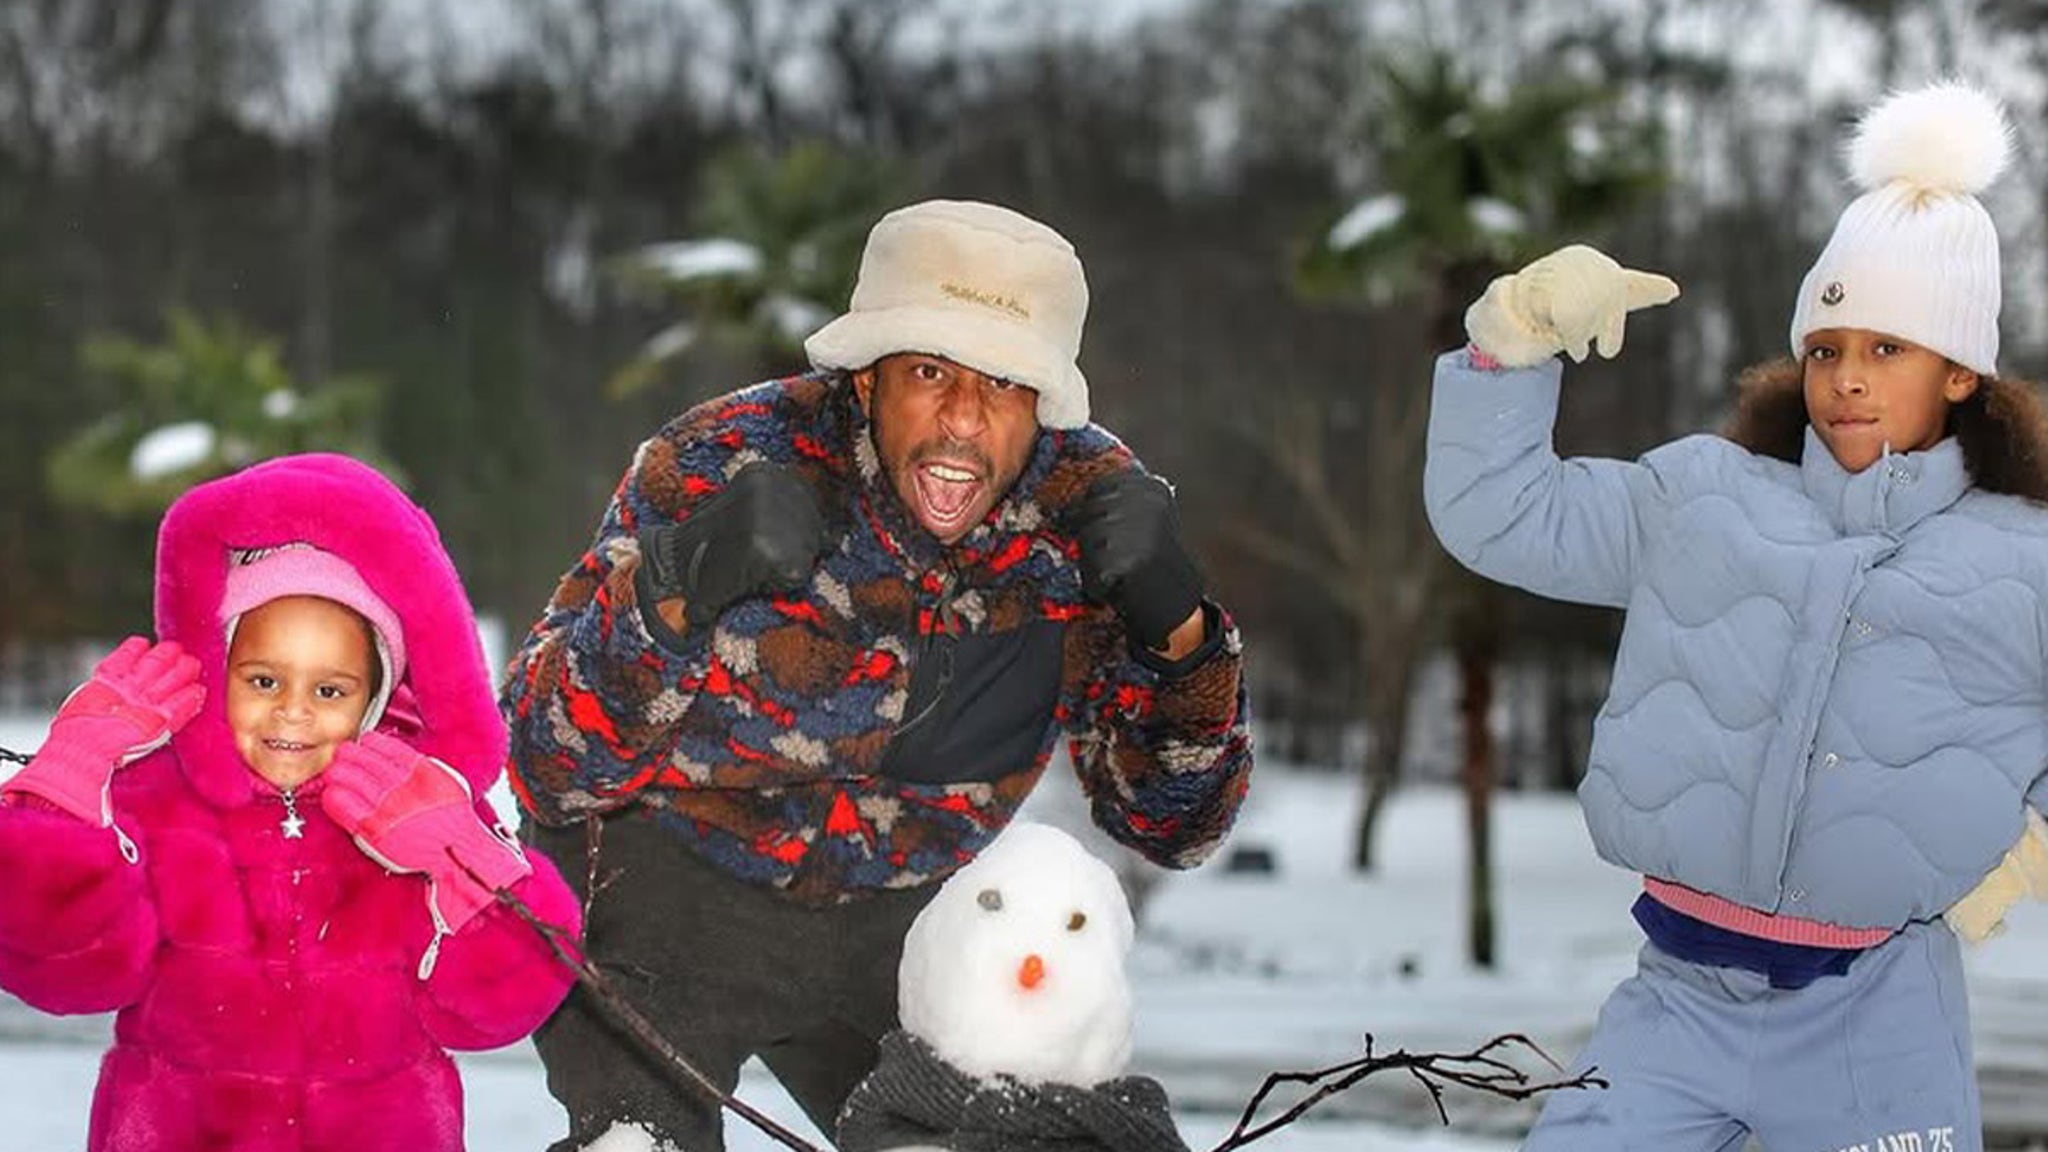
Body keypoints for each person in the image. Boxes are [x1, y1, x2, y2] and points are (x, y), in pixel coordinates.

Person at [503, 198, 1253, 1150]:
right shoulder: (720, 460)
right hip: (668, 888)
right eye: (930, 373)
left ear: (1045, 405)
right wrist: (678, 587)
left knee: (1030, 1141)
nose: (965, 420)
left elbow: (1176, 826)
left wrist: (1179, 633)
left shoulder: (1085, 512)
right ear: (866, 380)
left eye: (1007, 385)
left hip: (910, 912)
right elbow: (542, 766)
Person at [1425, 82, 2048, 1152]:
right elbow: (1501, 515)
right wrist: (1508, 351)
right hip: (1673, 1004)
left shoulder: (2022, 557)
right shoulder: (1699, 500)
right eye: (1825, 348)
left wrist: (2022, 845)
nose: (1846, 380)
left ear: (1958, 372)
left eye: (1885, 350)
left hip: (1878, 1018)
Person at [0, 453, 582, 1151]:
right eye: (264, 680)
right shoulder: (157, 797)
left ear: (376, 698)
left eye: (330, 690)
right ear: (221, 669)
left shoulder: (419, 808)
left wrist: (462, 860)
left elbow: (493, 1012)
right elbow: (72, 975)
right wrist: (66, 785)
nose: (293, 714)